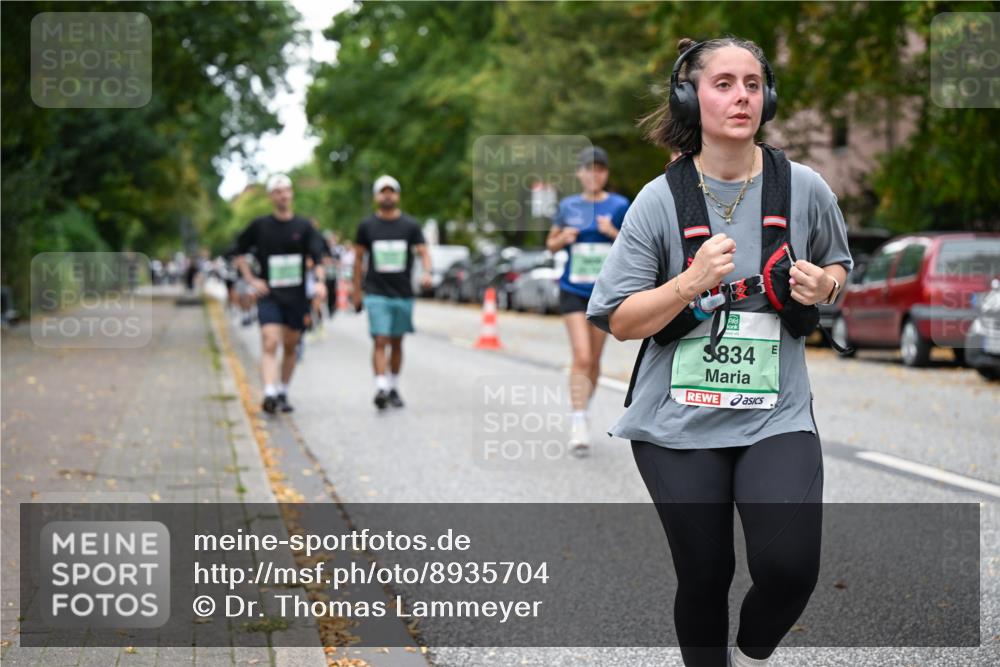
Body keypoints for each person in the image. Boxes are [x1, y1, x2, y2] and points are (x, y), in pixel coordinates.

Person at [586, 37, 852, 667]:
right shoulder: (658, 200)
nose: (742, 97)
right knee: (705, 573)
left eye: (753, 84)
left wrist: (827, 284)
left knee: (789, 568)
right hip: (677, 422)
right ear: (691, 96)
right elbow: (619, 320)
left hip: (775, 414)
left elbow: (839, 261)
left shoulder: (804, 187)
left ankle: (753, 645)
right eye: (724, 83)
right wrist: (688, 284)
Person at [545, 146, 630, 457]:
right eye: (588, 169)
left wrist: (612, 232)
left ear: (605, 174)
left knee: (594, 360)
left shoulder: (620, 205)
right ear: (579, 174)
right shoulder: (568, 206)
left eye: (599, 169)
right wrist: (563, 238)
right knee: (581, 356)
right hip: (573, 290)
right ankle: (578, 419)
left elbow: (634, 244)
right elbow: (550, 245)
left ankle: (584, 407)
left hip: (605, 294)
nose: (594, 174)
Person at [234, 174, 327, 414]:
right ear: (270, 197)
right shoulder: (260, 226)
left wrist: (319, 282)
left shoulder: (304, 227)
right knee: (269, 341)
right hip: (270, 294)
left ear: (292, 193)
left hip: (295, 297)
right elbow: (238, 252)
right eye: (277, 192)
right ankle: (269, 393)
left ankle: (283, 389)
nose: (283, 195)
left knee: (290, 346)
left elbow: (318, 259)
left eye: (286, 190)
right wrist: (251, 279)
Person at [352, 175, 432, 410]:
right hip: (376, 292)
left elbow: (423, 252)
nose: (388, 195)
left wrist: (427, 272)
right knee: (380, 339)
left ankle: (393, 385)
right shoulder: (367, 226)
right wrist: (357, 291)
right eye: (383, 191)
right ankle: (381, 387)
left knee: (396, 342)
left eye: (392, 191)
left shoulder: (409, 225)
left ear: (397, 195)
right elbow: (358, 260)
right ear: (377, 196)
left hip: (402, 293)